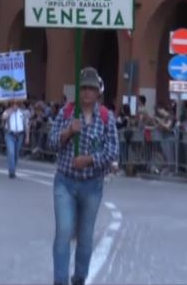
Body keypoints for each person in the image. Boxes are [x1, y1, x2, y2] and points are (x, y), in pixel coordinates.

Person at [48, 67, 119, 285]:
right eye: (84, 88)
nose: (87, 92)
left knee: (85, 237)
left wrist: (89, 159)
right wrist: (68, 132)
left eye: (91, 89)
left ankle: (79, 277)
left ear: (98, 93)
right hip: (65, 183)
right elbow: (50, 143)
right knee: (64, 232)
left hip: (92, 185)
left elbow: (113, 151)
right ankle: (60, 281)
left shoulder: (106, 118)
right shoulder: (67, 113)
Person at [2, 100, 30, 178]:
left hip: (20, 135)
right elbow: (3, 117)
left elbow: (27, 125)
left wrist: (27, 137)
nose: (15, 105)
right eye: (13, 103)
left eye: (17, 104)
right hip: (10, 134)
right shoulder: (7, 111)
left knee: (16, 154)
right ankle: (12, 171)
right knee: (11, 152)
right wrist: (10, 111)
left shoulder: (23, 113)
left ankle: (13, 168)